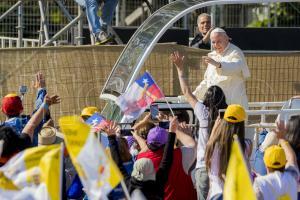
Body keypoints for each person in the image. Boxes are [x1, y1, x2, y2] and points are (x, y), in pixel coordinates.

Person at [171, 51, 228, 200]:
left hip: (203, 166)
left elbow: (186, 92)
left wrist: (180, 69)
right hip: (222, 168)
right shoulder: (227, 116)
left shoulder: (203, 113)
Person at [105, 119, 177, 199]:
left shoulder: (129, 184)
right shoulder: (158, 184)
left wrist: (111, 137)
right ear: (152, 171)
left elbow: (117, 164)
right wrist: (172, 132)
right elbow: (166, 160)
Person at [135, 117, 197, 199]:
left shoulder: (140, 160)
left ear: (147, 142)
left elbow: (144, 149)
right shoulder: (180, 155)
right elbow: (192, 145)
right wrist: (176, 131)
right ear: (168, 142)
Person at [193, 28, 250, 109]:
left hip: (233, 104)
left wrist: (219, 65)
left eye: (219, 41)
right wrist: (194, 95)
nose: (216, 45)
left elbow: (236, 67)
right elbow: (208, 81)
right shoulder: (213, 56)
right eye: (213, 42)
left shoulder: (235, 52)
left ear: (227, 40)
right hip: (216, 105)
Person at [205, 104, 252, 199]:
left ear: (223, 121)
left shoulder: (212, 145)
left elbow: (209, 150)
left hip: (217, 194)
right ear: (242, 124)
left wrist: (215, 130)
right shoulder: (247, 145)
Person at [0, 94, 61, 166]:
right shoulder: (28, 122)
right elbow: (35, 120)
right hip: (33, 169)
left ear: (2, 111)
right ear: (21, 109)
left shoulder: (2, 131)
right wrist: (45, 104)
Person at [253, 120, 299, 200]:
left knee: (262, 147)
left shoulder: (259, 183)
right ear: (285, 162)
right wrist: (282, 139)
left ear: (265, 164)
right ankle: (264, 133)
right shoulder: (292, 179)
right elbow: (292, 159)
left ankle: (263, 133)